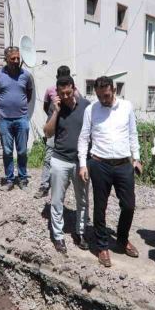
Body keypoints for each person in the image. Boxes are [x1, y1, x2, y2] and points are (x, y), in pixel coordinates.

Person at [77, 76, 142, 268]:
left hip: (123, 165)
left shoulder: (127, 107)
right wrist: (82, 164)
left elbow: (132, 133)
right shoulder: (91, 110)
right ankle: (102, 246)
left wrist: (136, 158)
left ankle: (122, 239)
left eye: (105, 95)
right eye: (99, 96)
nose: (102, 99)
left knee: (129, 205)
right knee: (100, 206)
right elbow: (83, 138)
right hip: (99, 164)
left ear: (113, 90)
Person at [43, 75, 91, 254]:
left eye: (68, 92)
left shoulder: (86, 106)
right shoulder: (56, 107)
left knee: (83, 200)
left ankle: (80, 233)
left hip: (81, 162)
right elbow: (48, 133)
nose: (65, 96)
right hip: (60, 160)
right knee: (57, 200)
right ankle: (58, 236)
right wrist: (55, 112)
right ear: (57, 92)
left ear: (73, 88)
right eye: (62, 93)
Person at [0, 46, 34, 191]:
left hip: (22, 119)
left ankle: (22, 179)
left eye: (18, 58)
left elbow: (29, 93)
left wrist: (18, 106)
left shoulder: (26, 76)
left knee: (22, 151)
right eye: (13, 58)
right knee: (7, 151)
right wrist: (4, 107)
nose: (16, 61)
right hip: (4, 120)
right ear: (6, 59)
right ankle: (9, 180)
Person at [38, 66, 75, 198]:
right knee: (49, 157)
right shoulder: (50, 90)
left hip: (66, 130)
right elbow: (46, 107)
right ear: (57, 78)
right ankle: (44, 186)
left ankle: (63, 185)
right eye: (61, 77)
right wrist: (53, 116)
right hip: (53, 127)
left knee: (67, 159)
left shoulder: (73, 91)